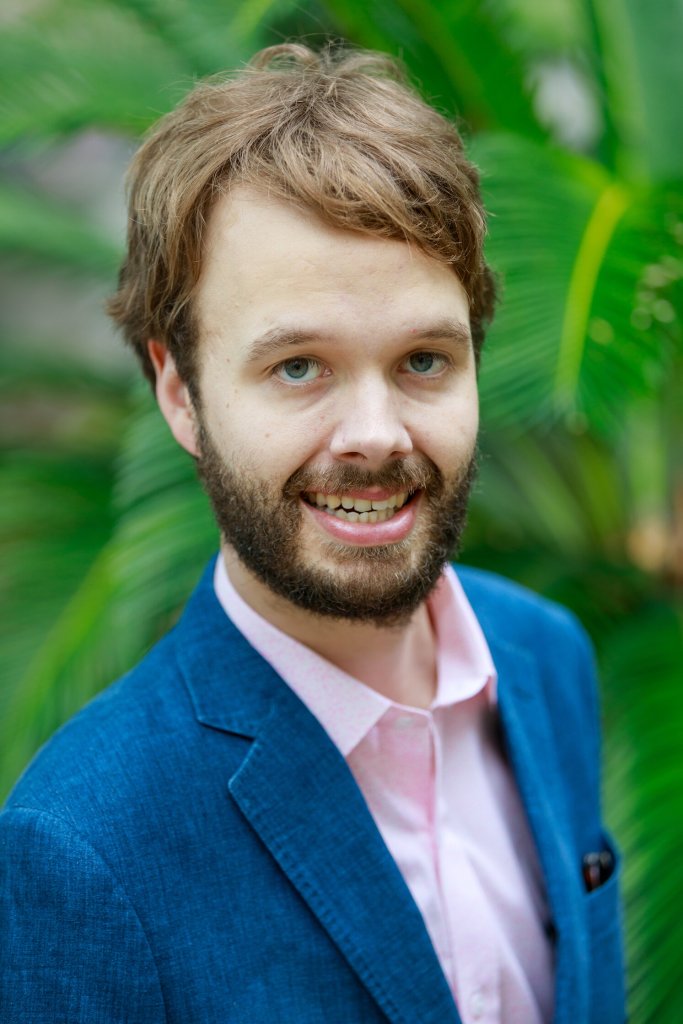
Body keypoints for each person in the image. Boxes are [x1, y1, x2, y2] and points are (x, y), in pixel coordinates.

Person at [0, 43, 624, 1024]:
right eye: (297, 367)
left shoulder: (546, 658)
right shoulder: (81, 846)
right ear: (180, 392)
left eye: (423, 360)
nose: (376, 434)